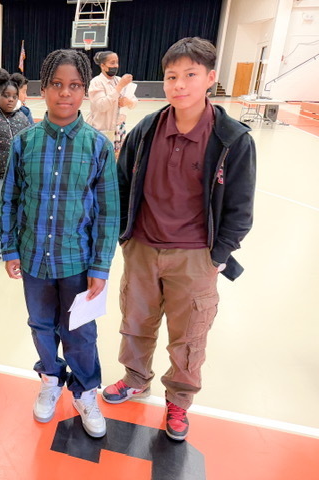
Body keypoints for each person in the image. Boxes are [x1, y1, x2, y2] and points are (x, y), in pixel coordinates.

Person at [102, 37, 256, 442]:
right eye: (172, 76)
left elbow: (240, 209)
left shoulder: (232, 139)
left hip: (195, 257)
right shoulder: (147, 129)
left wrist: (217, 255)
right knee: (135, 321)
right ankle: (135, 378)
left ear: (210, 78)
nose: (179, 85)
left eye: (190, 75)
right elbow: (120, 183)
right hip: (142, 247)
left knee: (189, 336)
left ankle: (179, 400)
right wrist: (125, 236)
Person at [0, 49, 119, 438]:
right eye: (56, 85)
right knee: (41, 325)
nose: (64, 93)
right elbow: (11, 199)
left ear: (84, 91)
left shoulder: (98, 147)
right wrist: (10, 247)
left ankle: (85, 391)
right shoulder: (25, 143)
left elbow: (107, 213)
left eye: (74, 86)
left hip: (78, 263)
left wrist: (100, 266)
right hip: (34, 260)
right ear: (43, 88)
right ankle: (50, 377)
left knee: (80, 332)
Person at [0, 71, 30, 266]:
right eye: (6, 95)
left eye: (14, 96)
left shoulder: (22, 118)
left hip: (20, 177)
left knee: (19, 212)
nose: (11, 100)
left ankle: (15, 246)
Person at [86, 50, 137, 156]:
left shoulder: (119, 80)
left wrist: (128, 102)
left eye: (117, 62)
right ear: (103, 66)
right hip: (100, 129)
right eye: (112, 63)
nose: (116, 66)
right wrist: (119, 87)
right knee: (100, 159)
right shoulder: (96, 82)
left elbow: (134, 103)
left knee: (115, 159)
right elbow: (102, 105)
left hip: (118, 129)